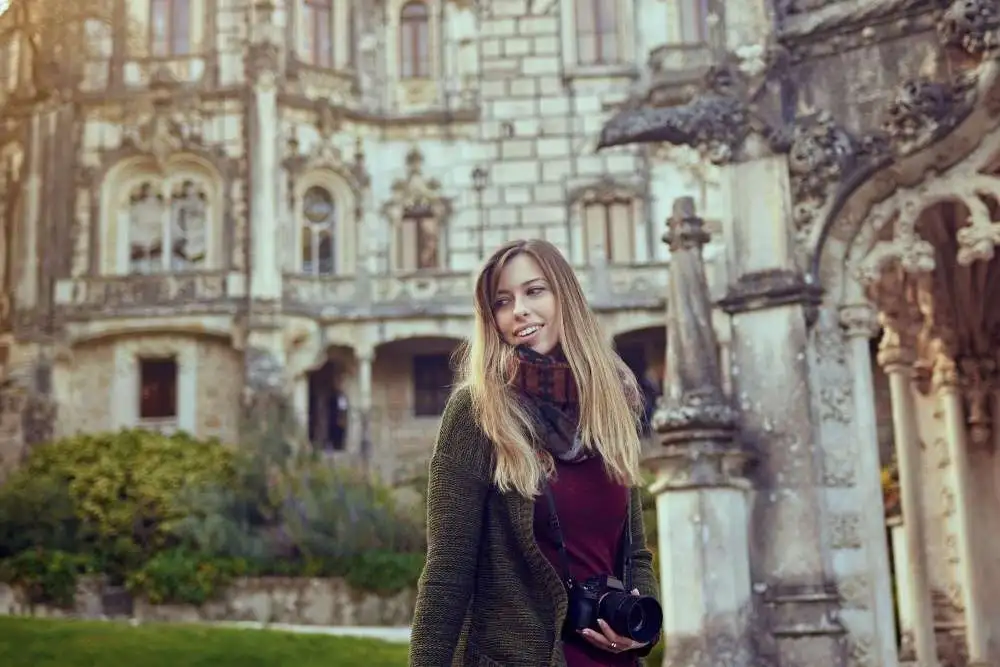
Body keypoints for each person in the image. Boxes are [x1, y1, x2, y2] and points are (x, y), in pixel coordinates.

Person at [409, 239, 661, 666]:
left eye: (534, 291)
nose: (519, 310)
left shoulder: (610, 404)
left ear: (565, 297)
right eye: (503, 301)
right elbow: (447, 571)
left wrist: (642, 628)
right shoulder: (477, 411)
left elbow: (633, 552)